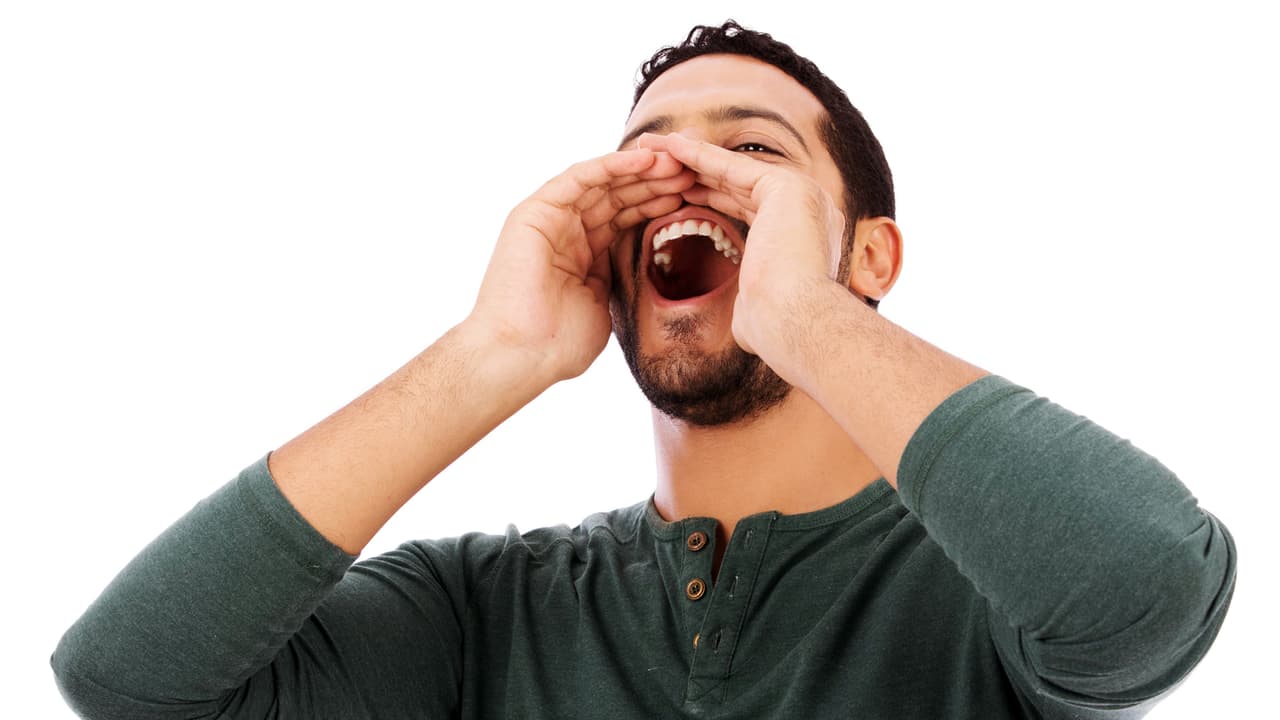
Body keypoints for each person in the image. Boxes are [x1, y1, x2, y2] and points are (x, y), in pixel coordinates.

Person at [51, 21, 1235, 719]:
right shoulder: (481, 612)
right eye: (644, 161)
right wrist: (491, 355)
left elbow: (1146, 591)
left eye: (753, 151)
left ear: (871, 253)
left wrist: (803, 313)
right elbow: (129, 682)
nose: (684, 178)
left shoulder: (985, 581)